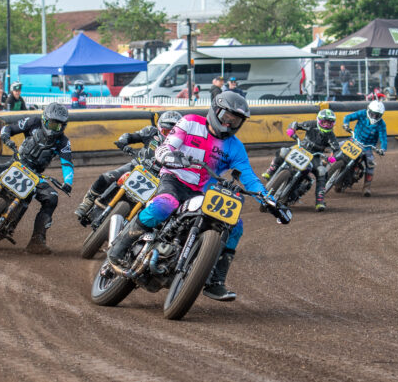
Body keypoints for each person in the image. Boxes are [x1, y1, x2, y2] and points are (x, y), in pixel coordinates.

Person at [107, 92, 277, 301]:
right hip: (174, 178)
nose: (229, 123)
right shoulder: (190, 122)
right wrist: (168, 156)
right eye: (226, 117)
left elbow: (249, 177)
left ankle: (216, 280)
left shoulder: (235, 147)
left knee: (236, 225)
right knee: (164, 205)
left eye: (236, 120)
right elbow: (167, 146)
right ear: (215, 111)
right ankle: (120, 247)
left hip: (205, 191)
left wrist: (269, 200)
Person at [0, 103, 73, 254]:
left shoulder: (63, 141)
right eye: (52, 123)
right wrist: (5, 135)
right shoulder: (33, 122)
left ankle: (37, 240)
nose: (54, 128)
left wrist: (68, 182)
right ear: (44, 119)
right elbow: (9, 128)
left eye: (58, 126)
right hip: (16, 163)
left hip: (35, 175)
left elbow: (67, 163)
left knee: (52, 198)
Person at [75, 111, 183, 220]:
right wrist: (123, 142)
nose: (168, 135)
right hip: (137, 166)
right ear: (160, 128)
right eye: (166, 131)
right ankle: (88, 200)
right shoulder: (150, 132)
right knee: (107, 176)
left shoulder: (183, 146)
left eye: (172, 133)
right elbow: (130, 136)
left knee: (163, 204)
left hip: (160, 179)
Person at [262, 109, 340, 211]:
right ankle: (271, 170)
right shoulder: (311, 124)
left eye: (329, 123)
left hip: (315, 156)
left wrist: (332, 157)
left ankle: (319, 200)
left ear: (332, 124)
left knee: (322, 171)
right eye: (324, 122)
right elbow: (295, 124)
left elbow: (337, 150)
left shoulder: (331, 136)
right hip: (301, 148)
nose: (326, 125)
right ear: (319, 120)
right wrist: (292, 129)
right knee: (283, 151)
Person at [341, 101, 387, 196]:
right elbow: (348, 117)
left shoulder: (381, 124)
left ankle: (367, 187)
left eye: (377, 115)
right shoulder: (362, 113)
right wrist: (346, 124)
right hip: (354, 140)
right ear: (368, 110)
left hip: (367, 147)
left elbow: (383, 138)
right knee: (339, 146)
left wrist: (383, 149)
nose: (374, 117)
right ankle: (330, 161)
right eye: (372, 114)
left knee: (370, 165)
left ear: (381, 115)